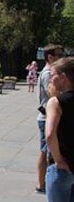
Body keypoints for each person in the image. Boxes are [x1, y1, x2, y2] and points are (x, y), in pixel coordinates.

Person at [40, 56, 74, 202]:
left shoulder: (57, 102)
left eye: (53, 74)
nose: (50, 78)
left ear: (63, 77)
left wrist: (58, 158)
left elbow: (50, 133)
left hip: (62, 167)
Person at [37, 45, 63, 193]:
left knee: (45, 150)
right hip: (47, 117)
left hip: (47, 116)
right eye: (59, 55)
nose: (62, 57)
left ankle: (42, 183)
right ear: (50, 57)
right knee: (48, 151)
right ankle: (44, 183)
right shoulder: (48, 73)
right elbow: (53, 93)